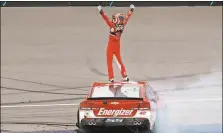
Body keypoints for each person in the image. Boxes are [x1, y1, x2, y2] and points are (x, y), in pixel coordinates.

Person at [97, 4, 135, 83]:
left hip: (111, 46)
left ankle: (111, 78)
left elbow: (106, 19)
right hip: (117, 46)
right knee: (119, 61)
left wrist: (101, 11)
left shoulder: (112, 26)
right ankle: (125, 76)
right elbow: (127, 17)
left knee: (109, 62)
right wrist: (131, 10)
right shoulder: (123, 25)